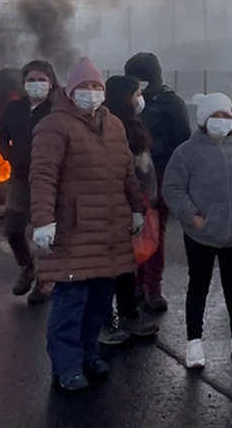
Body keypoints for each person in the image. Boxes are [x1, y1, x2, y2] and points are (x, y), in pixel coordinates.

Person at [30, 57, 146, 391]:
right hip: (73, 231)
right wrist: (43, 221)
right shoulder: (55, 126)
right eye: (84, 87)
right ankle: (66, 366)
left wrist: (137, 209)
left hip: (109, 230)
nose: (91, 93)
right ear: (70, 91)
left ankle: (89, 353)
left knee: (98, 302)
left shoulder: (114, 125)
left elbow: (127, 172)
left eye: (96, 86)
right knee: (71, 303)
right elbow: (42, 176)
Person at [163, 93, 232, 368]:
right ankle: (194, 342)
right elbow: (173, 187)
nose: (220, 121)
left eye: (225, 116)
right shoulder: (186, 152)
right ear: (203, 120)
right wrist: (192, 216)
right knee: (198, 286)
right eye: (215, 116)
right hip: (201, 234)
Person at [98, 76, 163, 345]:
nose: (140, 99)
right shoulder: (110, 127)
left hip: (138, 201)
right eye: (136, 94)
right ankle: (103, 322)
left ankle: (128, 313)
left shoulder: (132, 124)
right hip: (117, 205)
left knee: (126, 263)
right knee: (108, 266)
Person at [125, 52, 191, 312]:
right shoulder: (126, 103)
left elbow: (182, 140)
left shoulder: (170, 103)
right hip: (129, 176)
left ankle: (152, 286)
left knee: (153, 232)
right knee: (131, 232)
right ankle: (135, 283)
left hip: (159, 175)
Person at [0, 60, 58, 304]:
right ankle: (27, 267)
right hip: (20, 178)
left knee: (45, 233)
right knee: (13, 229)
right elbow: (0, 136)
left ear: (51, 82)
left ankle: (46, 282)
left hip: (50, 180)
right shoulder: (15, 109)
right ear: (24, 83)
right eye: (31, 80)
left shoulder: (57, 109)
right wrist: (10, 156)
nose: (37, 84)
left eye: (42, 79)